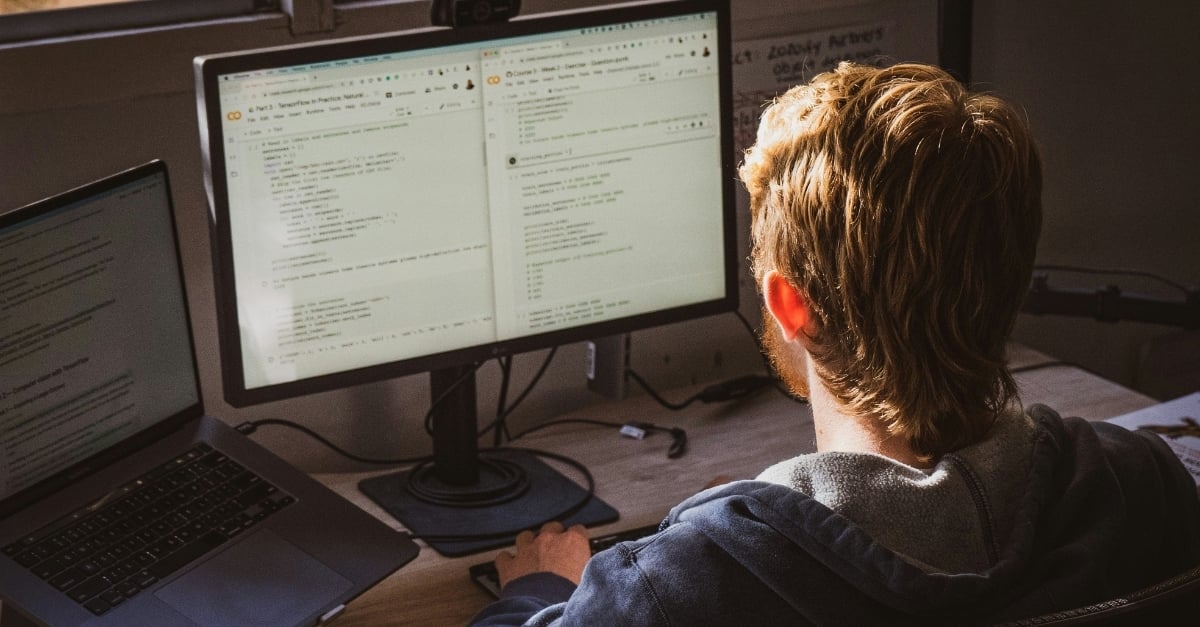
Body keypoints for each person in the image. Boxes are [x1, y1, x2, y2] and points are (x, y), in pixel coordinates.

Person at [468, 62, 1200, 626]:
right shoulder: (1144, 491)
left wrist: (536, 589)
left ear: (790, 303)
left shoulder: (677, 588)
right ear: (1011, 278)